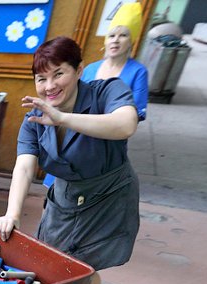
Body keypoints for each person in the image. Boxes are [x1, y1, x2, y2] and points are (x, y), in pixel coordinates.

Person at [0, 36, 140, 284]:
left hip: (108, 194)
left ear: (79, 70)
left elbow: (126, 125)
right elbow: (24, 167)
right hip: (66, 195)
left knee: (75, 262)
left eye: (59, 73)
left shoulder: (106, 91)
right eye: (41, 78)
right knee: (60, 258)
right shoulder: (34, 119)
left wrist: (63, 118)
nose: (50, 86)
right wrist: (12, 213)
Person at [43, 3, 147, 192]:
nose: (116, 41)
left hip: (106, 144)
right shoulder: (90, 69)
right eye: (111, 35)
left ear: (132, 40)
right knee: (56, 192)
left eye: (123, 35)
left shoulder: (138, 72)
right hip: (71, 138)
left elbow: (133, 118)